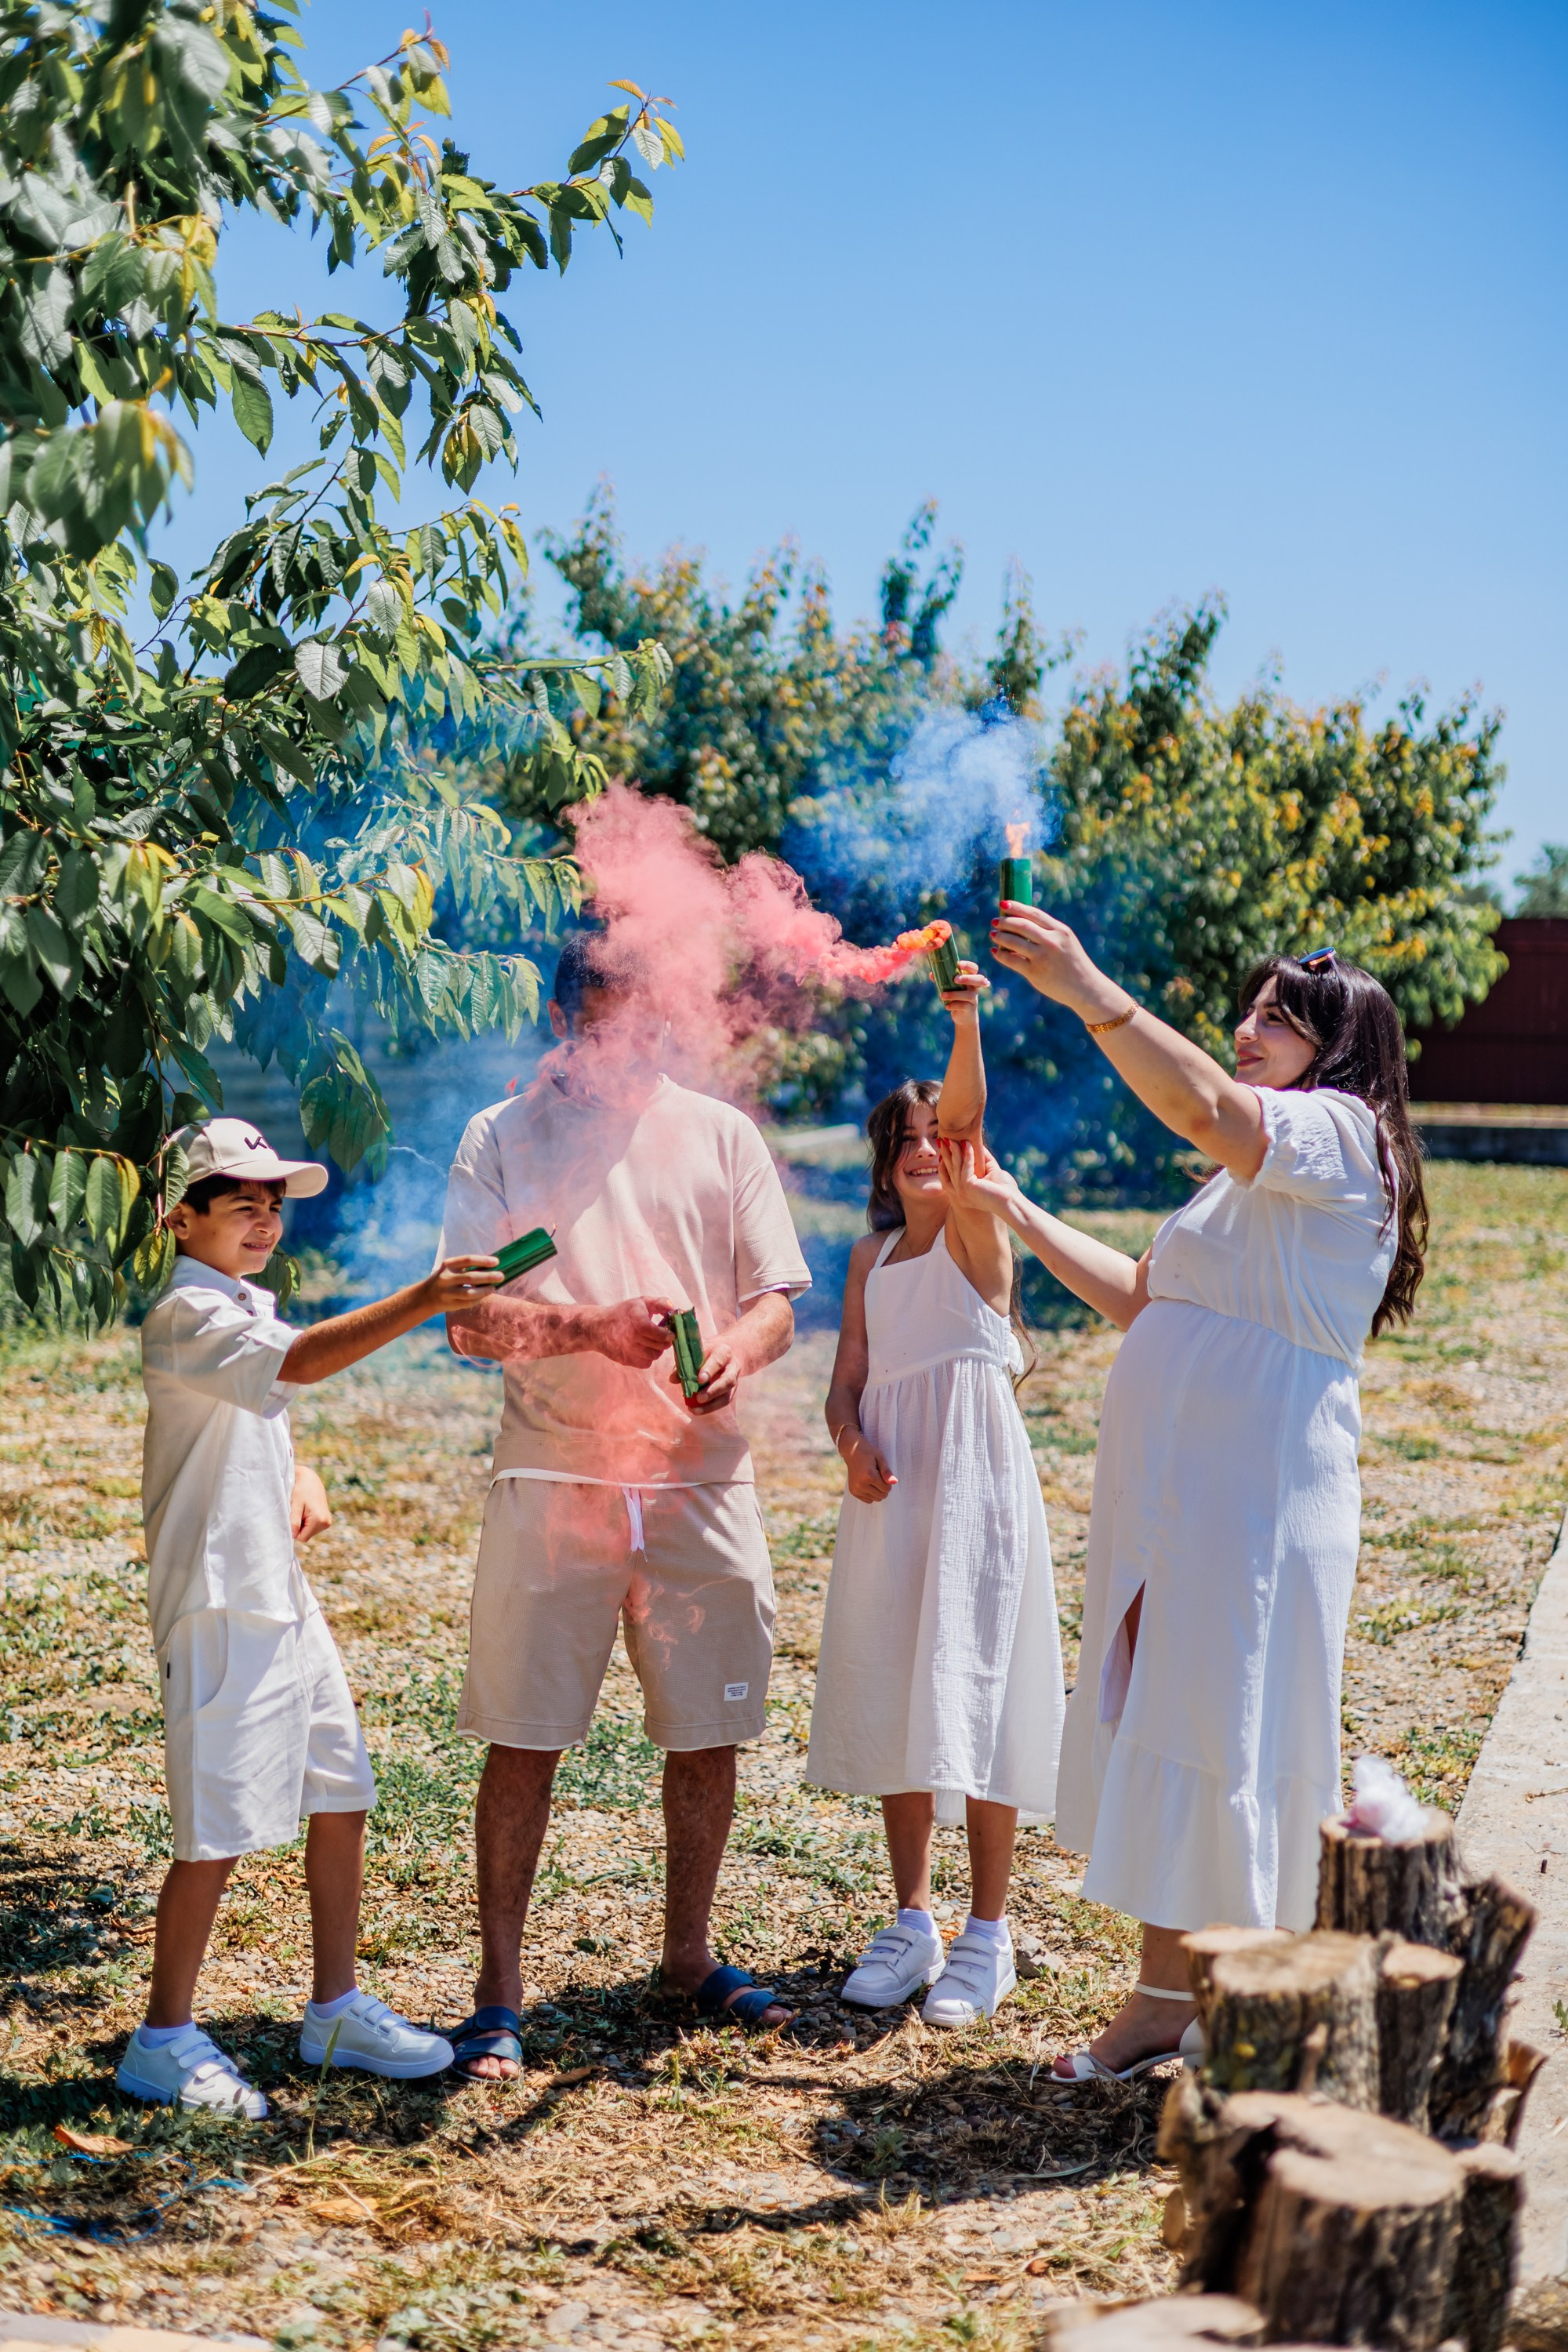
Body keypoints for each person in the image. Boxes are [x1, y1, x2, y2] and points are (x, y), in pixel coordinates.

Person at [944, 920, 1427, 2082]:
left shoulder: (1342, 1135)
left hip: (1256, 1489)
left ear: (1342, 1054)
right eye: (1250, 1012)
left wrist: (1084, 989)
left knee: (1221, 1723)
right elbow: (1143, 1298)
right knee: (1183, 1713)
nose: (1250, 1033)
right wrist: (1014, 1209)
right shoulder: (1250, 1184)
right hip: (1189, 1494)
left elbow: (1208, 1106)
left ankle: (1181, 1998)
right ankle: (1194, 1990)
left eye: (1280, 1021)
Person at [436, 935, 812, 2076]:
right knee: (526, 1733)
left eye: (645, 1012)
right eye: (602, 1014)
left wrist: (737, 1356)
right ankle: (499, 1993)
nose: (626, 1037)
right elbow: (467, 1323)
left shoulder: (722, 1133)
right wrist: (587, 1326)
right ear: (560, 1014)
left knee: (709, 1730)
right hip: (554, 1472)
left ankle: (689, 1954)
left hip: (701, 1474)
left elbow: (775, 1298)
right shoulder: (499, 1138)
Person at [122, 1117, 504, 2118]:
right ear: (179, 1217)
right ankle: (161, 2038)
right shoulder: (186, 1312)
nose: (263, 1217)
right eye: (238, 1200)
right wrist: (424, 1297)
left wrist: (302, 1469)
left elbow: (262, 1402)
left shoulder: (242, 1301)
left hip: (278, 1593)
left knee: (342, 1789)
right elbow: (291, 1365)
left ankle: (333, 2008)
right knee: (216, 1832)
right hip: (217, 1602)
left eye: (273, 1202)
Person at [805, 960, 1064, 2028]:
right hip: (894, 1491)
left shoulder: (976, 1238)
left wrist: (965, 1027)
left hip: (974, 1485)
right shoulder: (870, 1259)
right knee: (897, 1675)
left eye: (937, 1140)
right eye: (904, 1141)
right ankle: (913, 1919)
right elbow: (845, 1385)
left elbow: (966, 1125)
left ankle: (989, 1932)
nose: (924, 1152)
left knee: (986, 1679)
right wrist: (850, 1442)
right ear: (883, 1163)